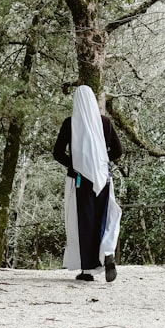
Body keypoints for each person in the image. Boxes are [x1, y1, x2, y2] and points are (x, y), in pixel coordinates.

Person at [53, 85, 125, 282]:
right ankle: (107, 252)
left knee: (83, 223)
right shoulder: (105, 123)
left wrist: (76, 164)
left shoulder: (70, 123)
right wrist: (100, 162)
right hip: (102, 178)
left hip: (79, 182)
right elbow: (118, 151)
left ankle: (87, 271)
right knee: (106, 216)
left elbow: (57, 152)